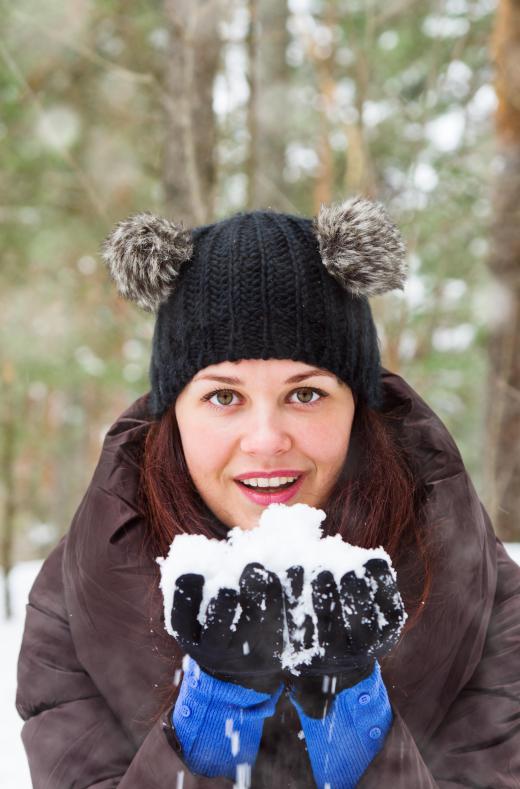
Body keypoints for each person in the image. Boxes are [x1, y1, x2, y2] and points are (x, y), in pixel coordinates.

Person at [16, 197, 520, 789]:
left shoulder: (480, 588)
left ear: (357, 408)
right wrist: (215, 718)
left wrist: (350, 715)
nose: (265, 440)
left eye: (305, 394)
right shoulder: (80, 595)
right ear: (172, 413)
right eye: (223, 397)